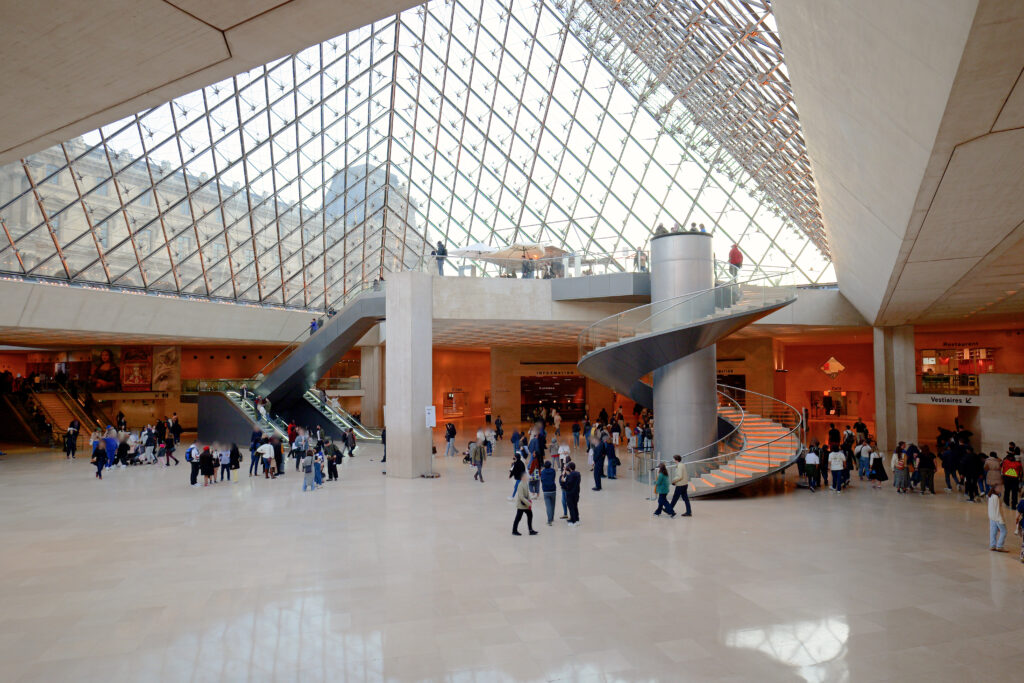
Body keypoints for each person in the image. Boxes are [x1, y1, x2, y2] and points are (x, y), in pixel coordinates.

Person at [988, 488, 1008, 552]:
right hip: (997, 517)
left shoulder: (990, 496)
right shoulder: (996, 497)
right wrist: (1001, 520)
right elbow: (998, 510)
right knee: (1004, 531)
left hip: (992, 517)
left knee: (993, 532)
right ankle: (1000, 546)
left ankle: (992, 545)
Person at [540, 461, 557, 525]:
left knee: (548, 506)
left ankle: (549, 520)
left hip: (546, 490)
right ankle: (552, 518)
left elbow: (542, 480)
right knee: (553, 505)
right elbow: (554, 478)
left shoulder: (543, 472)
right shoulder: (553, 471)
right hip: (553, 489)